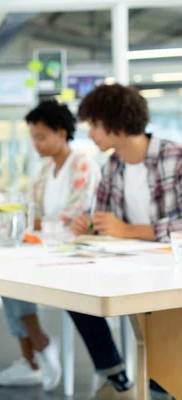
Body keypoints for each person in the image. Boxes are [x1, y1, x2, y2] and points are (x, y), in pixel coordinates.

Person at [70, 84, 181, 400]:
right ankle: (115, 375)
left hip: (171, 269)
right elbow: (106, 219)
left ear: (116, 122)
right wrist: (90, 224)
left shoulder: (175, 157)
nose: (90, 133)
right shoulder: (113, 166)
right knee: (76, 291)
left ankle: (163, 387)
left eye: (94, 124)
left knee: (161, 316)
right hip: (131, 263)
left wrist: (126, 230)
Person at [0, 100, 100, 391]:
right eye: (33, 138)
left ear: (61, 134)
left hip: (75, 251)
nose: (36, 144)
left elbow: (77, 215)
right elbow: (31, 212)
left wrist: (34, 221)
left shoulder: (83, 164)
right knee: (6, 274)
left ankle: (38, 349)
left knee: (13, 276)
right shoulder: (42, 170)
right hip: (44, 247)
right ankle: (33, 356)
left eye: (41, 137)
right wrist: (7, 215)